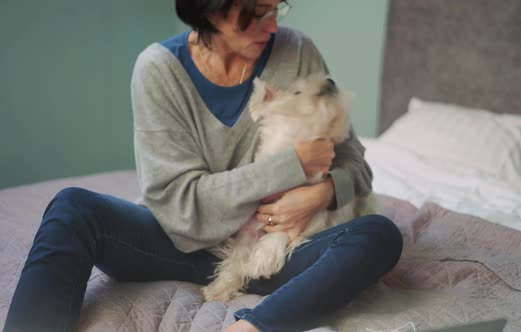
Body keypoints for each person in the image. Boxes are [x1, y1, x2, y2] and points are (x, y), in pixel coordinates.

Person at [3, 0, 403, 331]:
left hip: (272, 252)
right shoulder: (158, 70)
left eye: (276, 10)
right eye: (256, 14)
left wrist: (324, 192)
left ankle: (251, 328)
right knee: (72, 207)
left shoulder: (297, 52)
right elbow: (181, 208)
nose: (272, 27)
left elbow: (356, 166)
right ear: (210, 11)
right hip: (174, 243)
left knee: (379, 234)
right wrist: (292, 165)